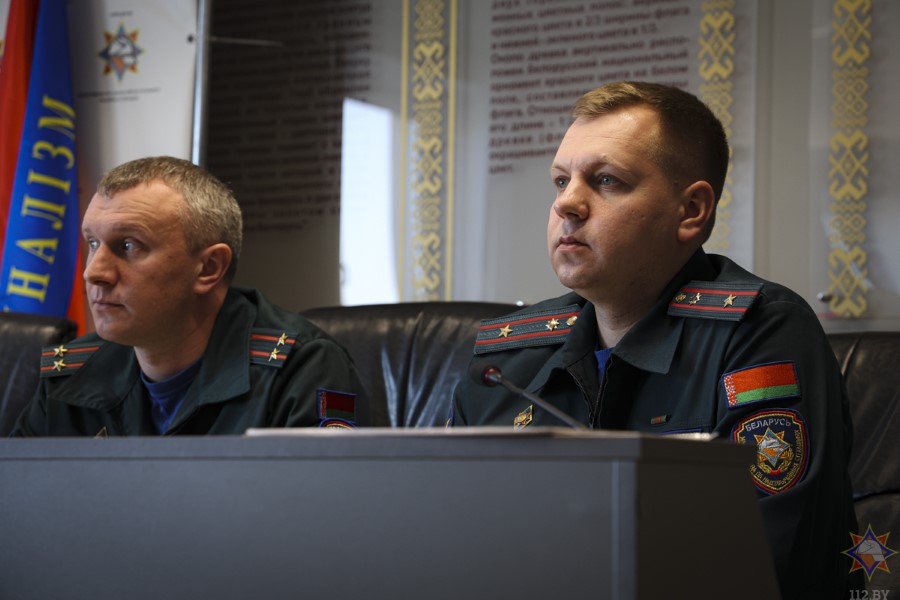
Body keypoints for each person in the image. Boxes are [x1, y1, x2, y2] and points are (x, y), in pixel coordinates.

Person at [452, 82, 860, 597]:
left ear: (691, 211)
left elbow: (764, 566)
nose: (567, 204)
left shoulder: (761, 334)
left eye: (606, 180)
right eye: (561, 181)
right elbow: (438, 539)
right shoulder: (506, 360)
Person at [13, 156, 369, 436]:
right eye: (93, 242)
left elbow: (324, 504)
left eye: (128, 245)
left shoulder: (302, 369)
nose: (94, 272)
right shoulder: (70, 373)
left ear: (209, 268)